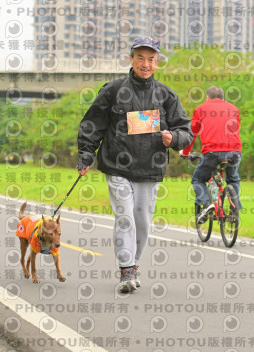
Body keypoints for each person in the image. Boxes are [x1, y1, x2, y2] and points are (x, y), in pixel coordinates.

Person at [77, 37, 193, 293]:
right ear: (131, 59)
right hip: (117, 166)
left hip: (149, 168)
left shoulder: (166, 95)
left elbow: (186, 131)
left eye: (151, 59)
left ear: (157, 63)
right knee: (125, 217)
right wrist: (86, 154)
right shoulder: (113, 90)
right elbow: (92, 124)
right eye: (140, 58)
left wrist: (174, 138)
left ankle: (133, 263)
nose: (145, 64)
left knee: (142, 222)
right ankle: (126, 268)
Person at [179, 86, 243, 223]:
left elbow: (192, 133)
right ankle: (234, 208)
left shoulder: (201, 109)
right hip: (235, 152)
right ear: (223, 98)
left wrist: (185, 152)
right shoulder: (234, 109)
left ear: (207, 98)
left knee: (198, 180)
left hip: (212, 152)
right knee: (233, 179)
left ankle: (207, 204)